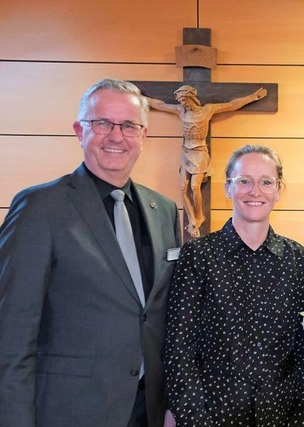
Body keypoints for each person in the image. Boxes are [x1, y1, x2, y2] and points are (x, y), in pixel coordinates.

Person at [0, 78, 182, 426]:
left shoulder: (165, 210)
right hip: (70, 411)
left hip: (147, 410)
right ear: (79, 131)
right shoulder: (40, 208)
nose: (116, 136)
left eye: (129, 125)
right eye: (102, 123)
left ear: (143, 136)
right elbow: (11, 334)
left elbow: (158, 318)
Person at [164, 144, 304, 426]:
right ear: (227, 188)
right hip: (210, 413)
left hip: (280, 414)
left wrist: (303, 415)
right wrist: (193, 417)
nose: (255, 191)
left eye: (266, 182)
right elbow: (179, 346)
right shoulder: (198, 255)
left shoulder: (297, 257)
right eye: (244, 181)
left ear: (279, 189)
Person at [145, 85, 268, 238]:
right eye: (181, 101)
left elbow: (230, 105)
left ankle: (199, 216)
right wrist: (140, 97)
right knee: (183, 187)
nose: (184, 104)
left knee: (195, 186)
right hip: (186, 153)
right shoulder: (180, 111)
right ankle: (192, 219)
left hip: (200, 152)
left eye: (185, 100)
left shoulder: (207, 110)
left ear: (192, 98)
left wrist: (252, 97)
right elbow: (159, 105)